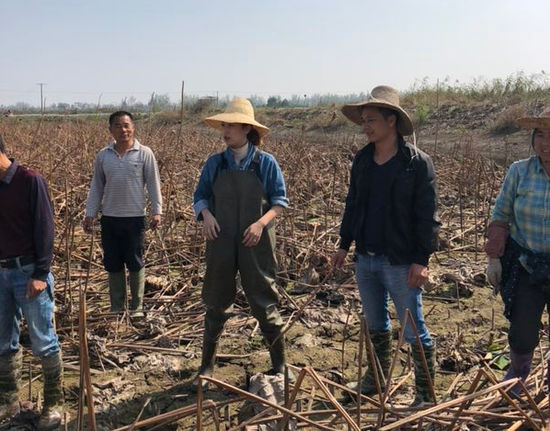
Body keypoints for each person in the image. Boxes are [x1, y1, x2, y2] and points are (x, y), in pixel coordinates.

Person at [332, 86, 440, 406]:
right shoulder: (363, 160)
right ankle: (376, 378)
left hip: (400, 261)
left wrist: (421, 260)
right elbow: (353, 205)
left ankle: (425, 394)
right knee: (376, 324)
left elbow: (427, 217)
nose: (365, 126)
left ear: (391, 121)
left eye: (371, 120)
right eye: (363, 121)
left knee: (413, 329)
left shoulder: (417, 164)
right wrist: (343, 244)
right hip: (365, 258)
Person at [192, 97, 291, 390]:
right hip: (220, 239)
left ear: (247, 129)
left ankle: (280, 364)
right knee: (216, 300)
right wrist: (206, 215)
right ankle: (206, 367)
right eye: (223, 125)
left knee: (264, 299)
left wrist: (261, 223)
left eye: (231, 125)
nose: (225, 130)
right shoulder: (215, 163)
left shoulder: (266, 163)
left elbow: (279, 202)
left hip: (256, 240)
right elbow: (200, 196)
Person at [0, 134, 64, 430]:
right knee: (3, 340)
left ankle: (54, 403)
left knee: (43, 340)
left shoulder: (29, 180)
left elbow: (45, 227)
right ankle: (8, 399)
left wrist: (41, 274)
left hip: (28, 272)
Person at [485, 108, 550, 396]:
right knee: (522, 331)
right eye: (540, 135)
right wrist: (494, 258)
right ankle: (519, 372)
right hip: (526, 262)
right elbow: (501, 215)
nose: (545, 143)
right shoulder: (519, 171)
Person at [83, 111, 162, 317]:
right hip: (109, 218)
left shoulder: (145, 153)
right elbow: (96, 187)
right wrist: (90, 213)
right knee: (113, 262)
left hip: (135, 217)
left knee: (135, 261)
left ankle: (136, 308)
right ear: (110, 130)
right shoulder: (103, 156)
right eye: (118, 126)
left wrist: (157, 211)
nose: (123, 130)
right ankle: (116, 308)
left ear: (133, 128)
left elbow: (154, 184)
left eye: (126, 125)